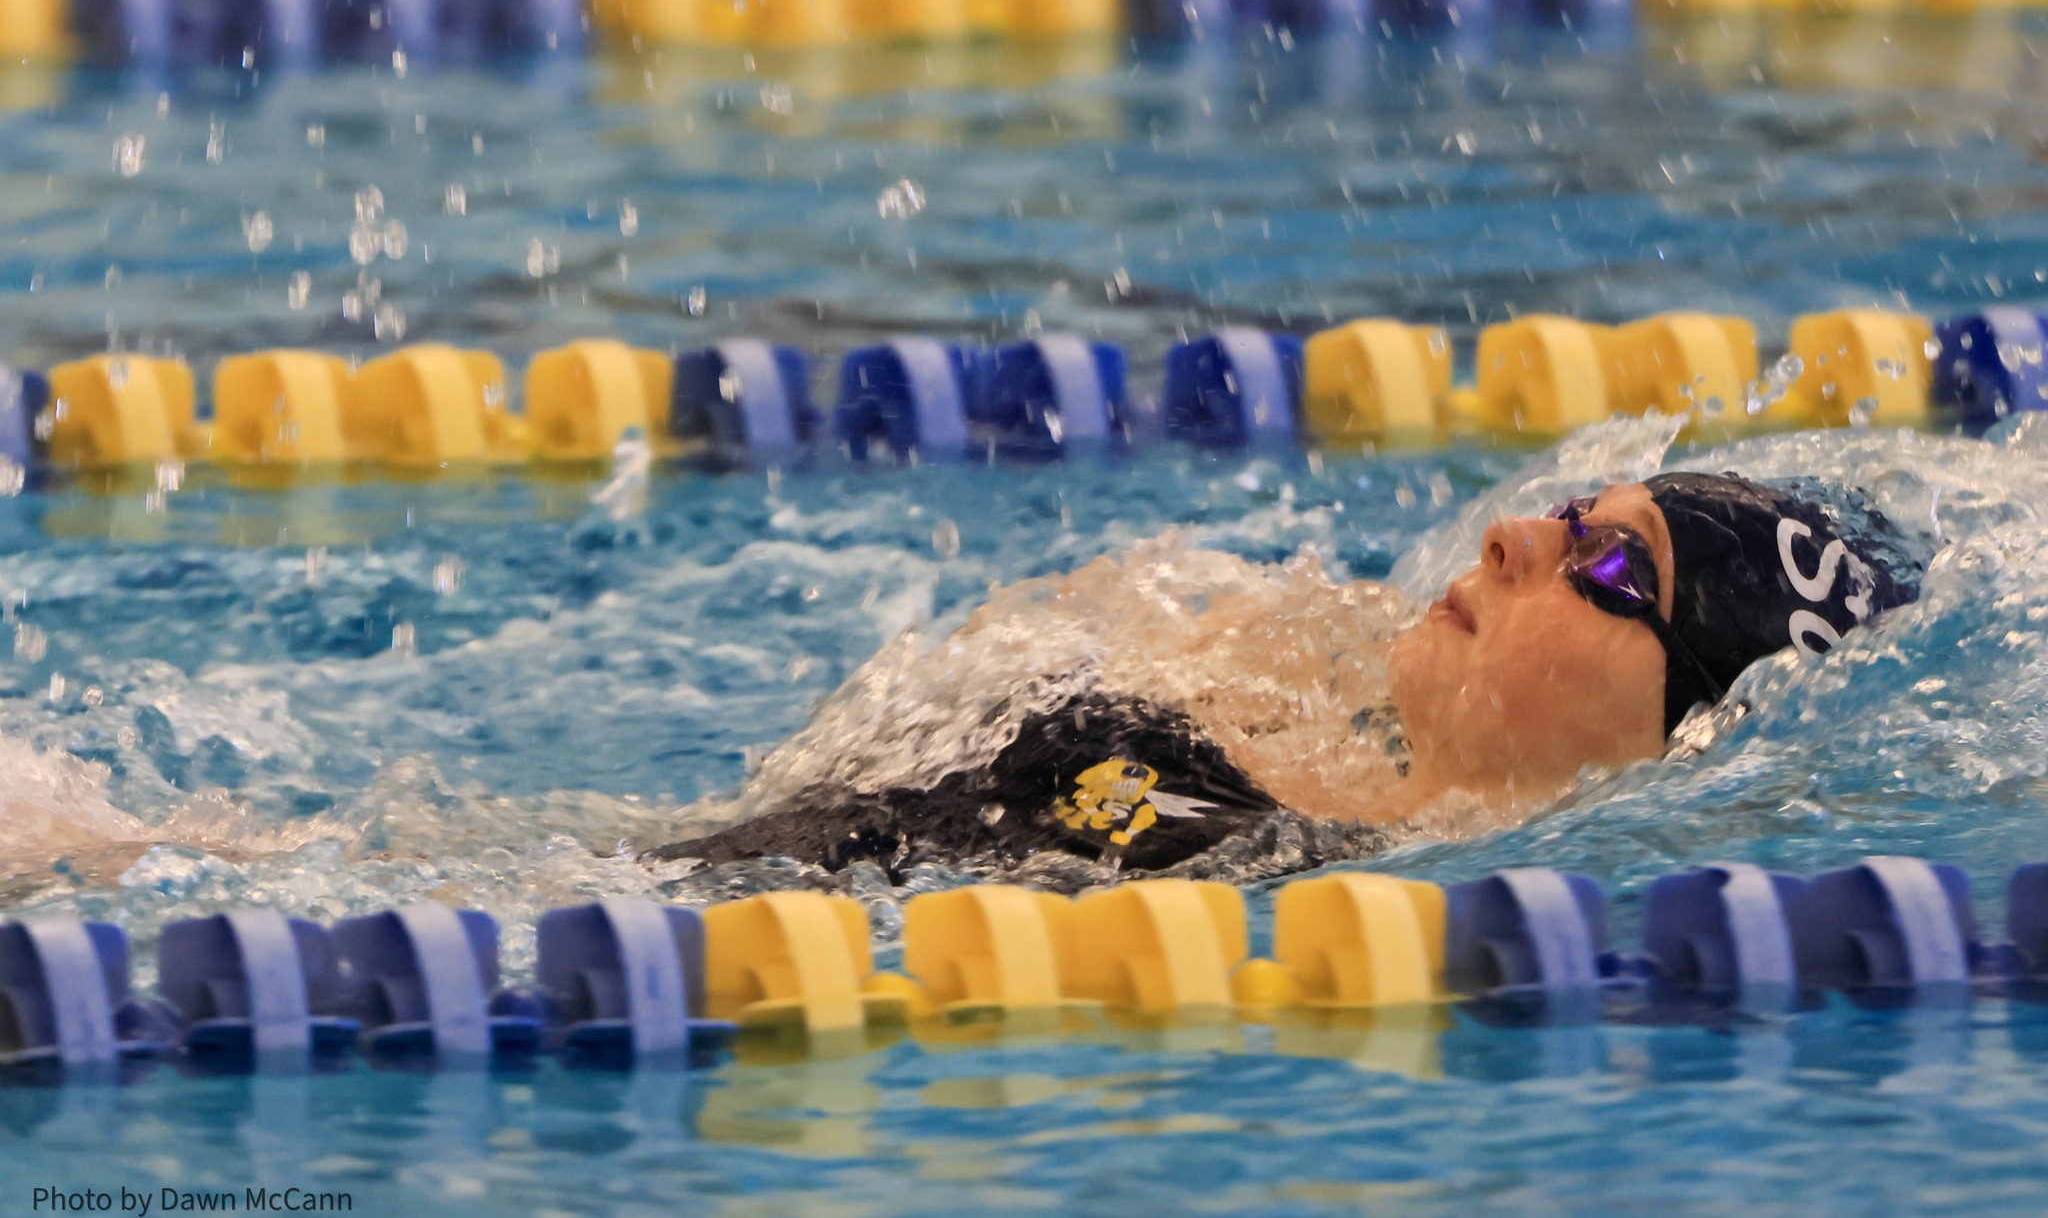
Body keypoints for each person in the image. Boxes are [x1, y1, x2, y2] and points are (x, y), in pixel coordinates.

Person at [649, 471, 1926, 879]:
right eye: (1567, 512)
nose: (1514, 537)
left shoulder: (1294, 892)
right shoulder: (1279, 706)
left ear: (1691, 734)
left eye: (1606, 571)